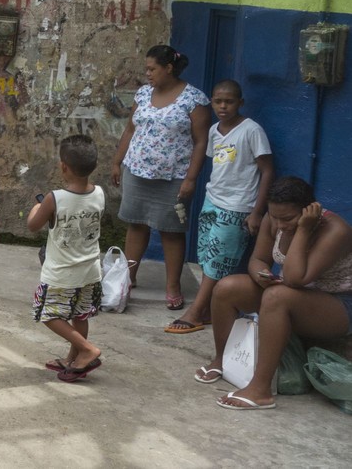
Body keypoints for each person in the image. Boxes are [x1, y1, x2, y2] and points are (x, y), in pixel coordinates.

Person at [194, 177, 352, 410]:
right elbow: (258, 259)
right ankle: (222, 360)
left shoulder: (335, 230)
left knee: (276, 297)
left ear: (311, 210)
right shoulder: (274, 218)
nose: (278, 225)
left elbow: (296, 278)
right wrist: (261, 275)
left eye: (287, 218)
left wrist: (303, 229)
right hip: (292, 294)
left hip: (338, 306)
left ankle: (260, 389)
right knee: (227, 288)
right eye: (274, 217)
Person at [167, 80, 274, 333]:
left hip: (238, 206)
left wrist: (257, 212)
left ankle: (195, 312)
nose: (223, 106)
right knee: (207, 258)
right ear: (212, 102)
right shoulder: (214, 130)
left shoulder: (251, 130)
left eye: (229, 101)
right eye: (218, 101)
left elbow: (267, 170)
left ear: (240, 103)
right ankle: (208, 310)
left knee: (218, 261)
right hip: (212, 199)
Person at [111, 45, 211, 310]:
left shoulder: (194, 100)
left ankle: (173, 286)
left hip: (173, 177)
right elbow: (131, 129)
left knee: (171, 231)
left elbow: (201, 142)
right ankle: (127, 278)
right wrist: (117, 161)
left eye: (152, 69)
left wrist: (191, 178)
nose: (148, 74)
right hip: (136, 170)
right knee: (136, 224)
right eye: (147, 69)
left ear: (168, 68)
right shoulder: (143, 94)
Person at [27, 134, 105, 381]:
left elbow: (33, 225)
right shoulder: (100, 193)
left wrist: (37, 208)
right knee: (79, 313)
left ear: (63, 166)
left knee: (48, 314)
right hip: (90, 269)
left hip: (61, 273)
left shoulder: (55, 198)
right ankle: (75, 358)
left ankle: (87, 349)